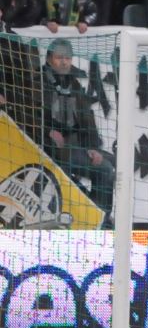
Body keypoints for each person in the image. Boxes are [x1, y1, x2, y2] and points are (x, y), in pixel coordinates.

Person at [41, 38, 115, 219]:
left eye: (68, 58)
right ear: (50, 59)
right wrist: (46, 131)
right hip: (47, 146)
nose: (64, 62)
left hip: (74, 146)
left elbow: (87, 121)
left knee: (109, 165)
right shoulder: (38, 81)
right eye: (59, 58)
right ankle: (91, 216)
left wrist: (93, 148)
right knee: (96, 168)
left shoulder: (74, 85)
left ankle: (99, 217)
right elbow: (28, 114)